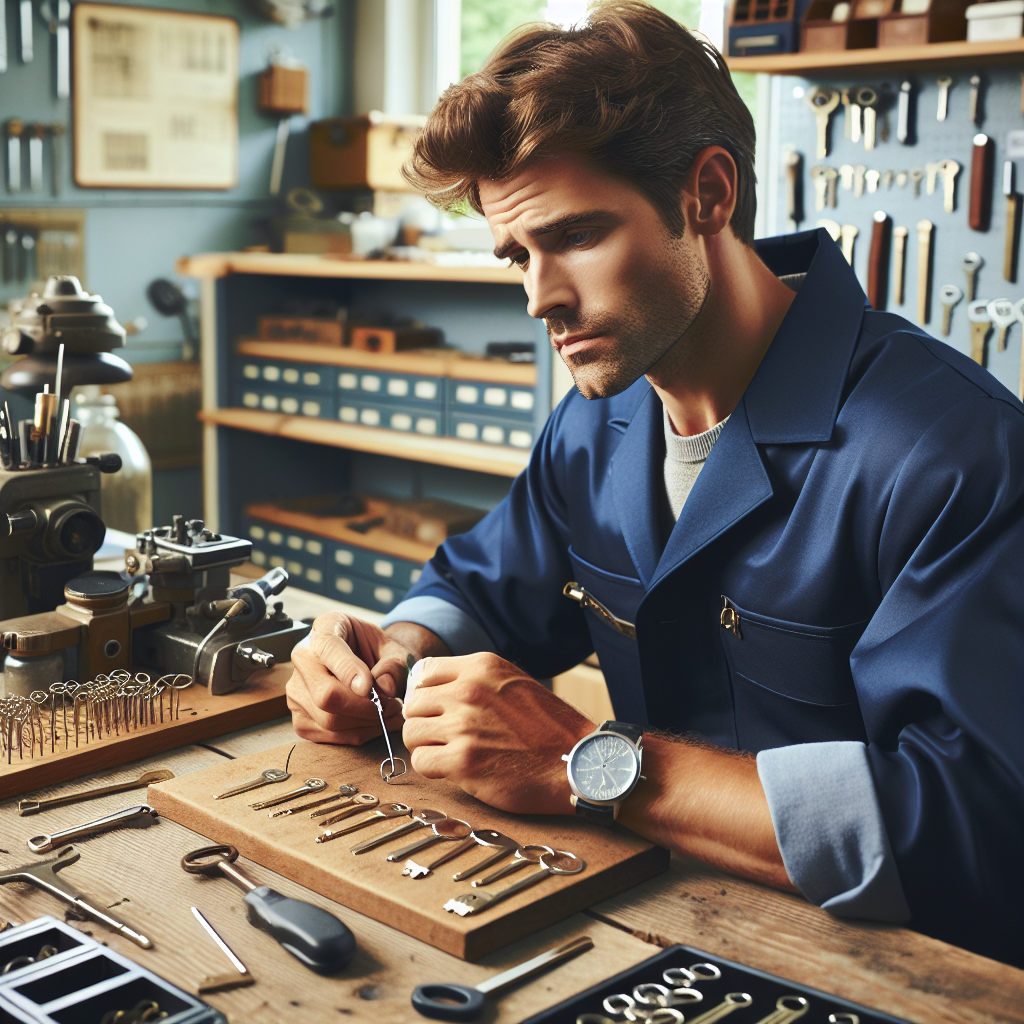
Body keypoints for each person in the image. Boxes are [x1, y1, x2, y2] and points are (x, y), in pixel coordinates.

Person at [286, 1, 1023, 967]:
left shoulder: (952, 453)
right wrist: (388, 661)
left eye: (577, 237)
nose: (540, 298)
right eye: (517, 253)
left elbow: (978, 828)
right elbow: (482, 588)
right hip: (650, 917)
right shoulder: (600, 417)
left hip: (890, 966)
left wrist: (581, 765)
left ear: (707, 194)